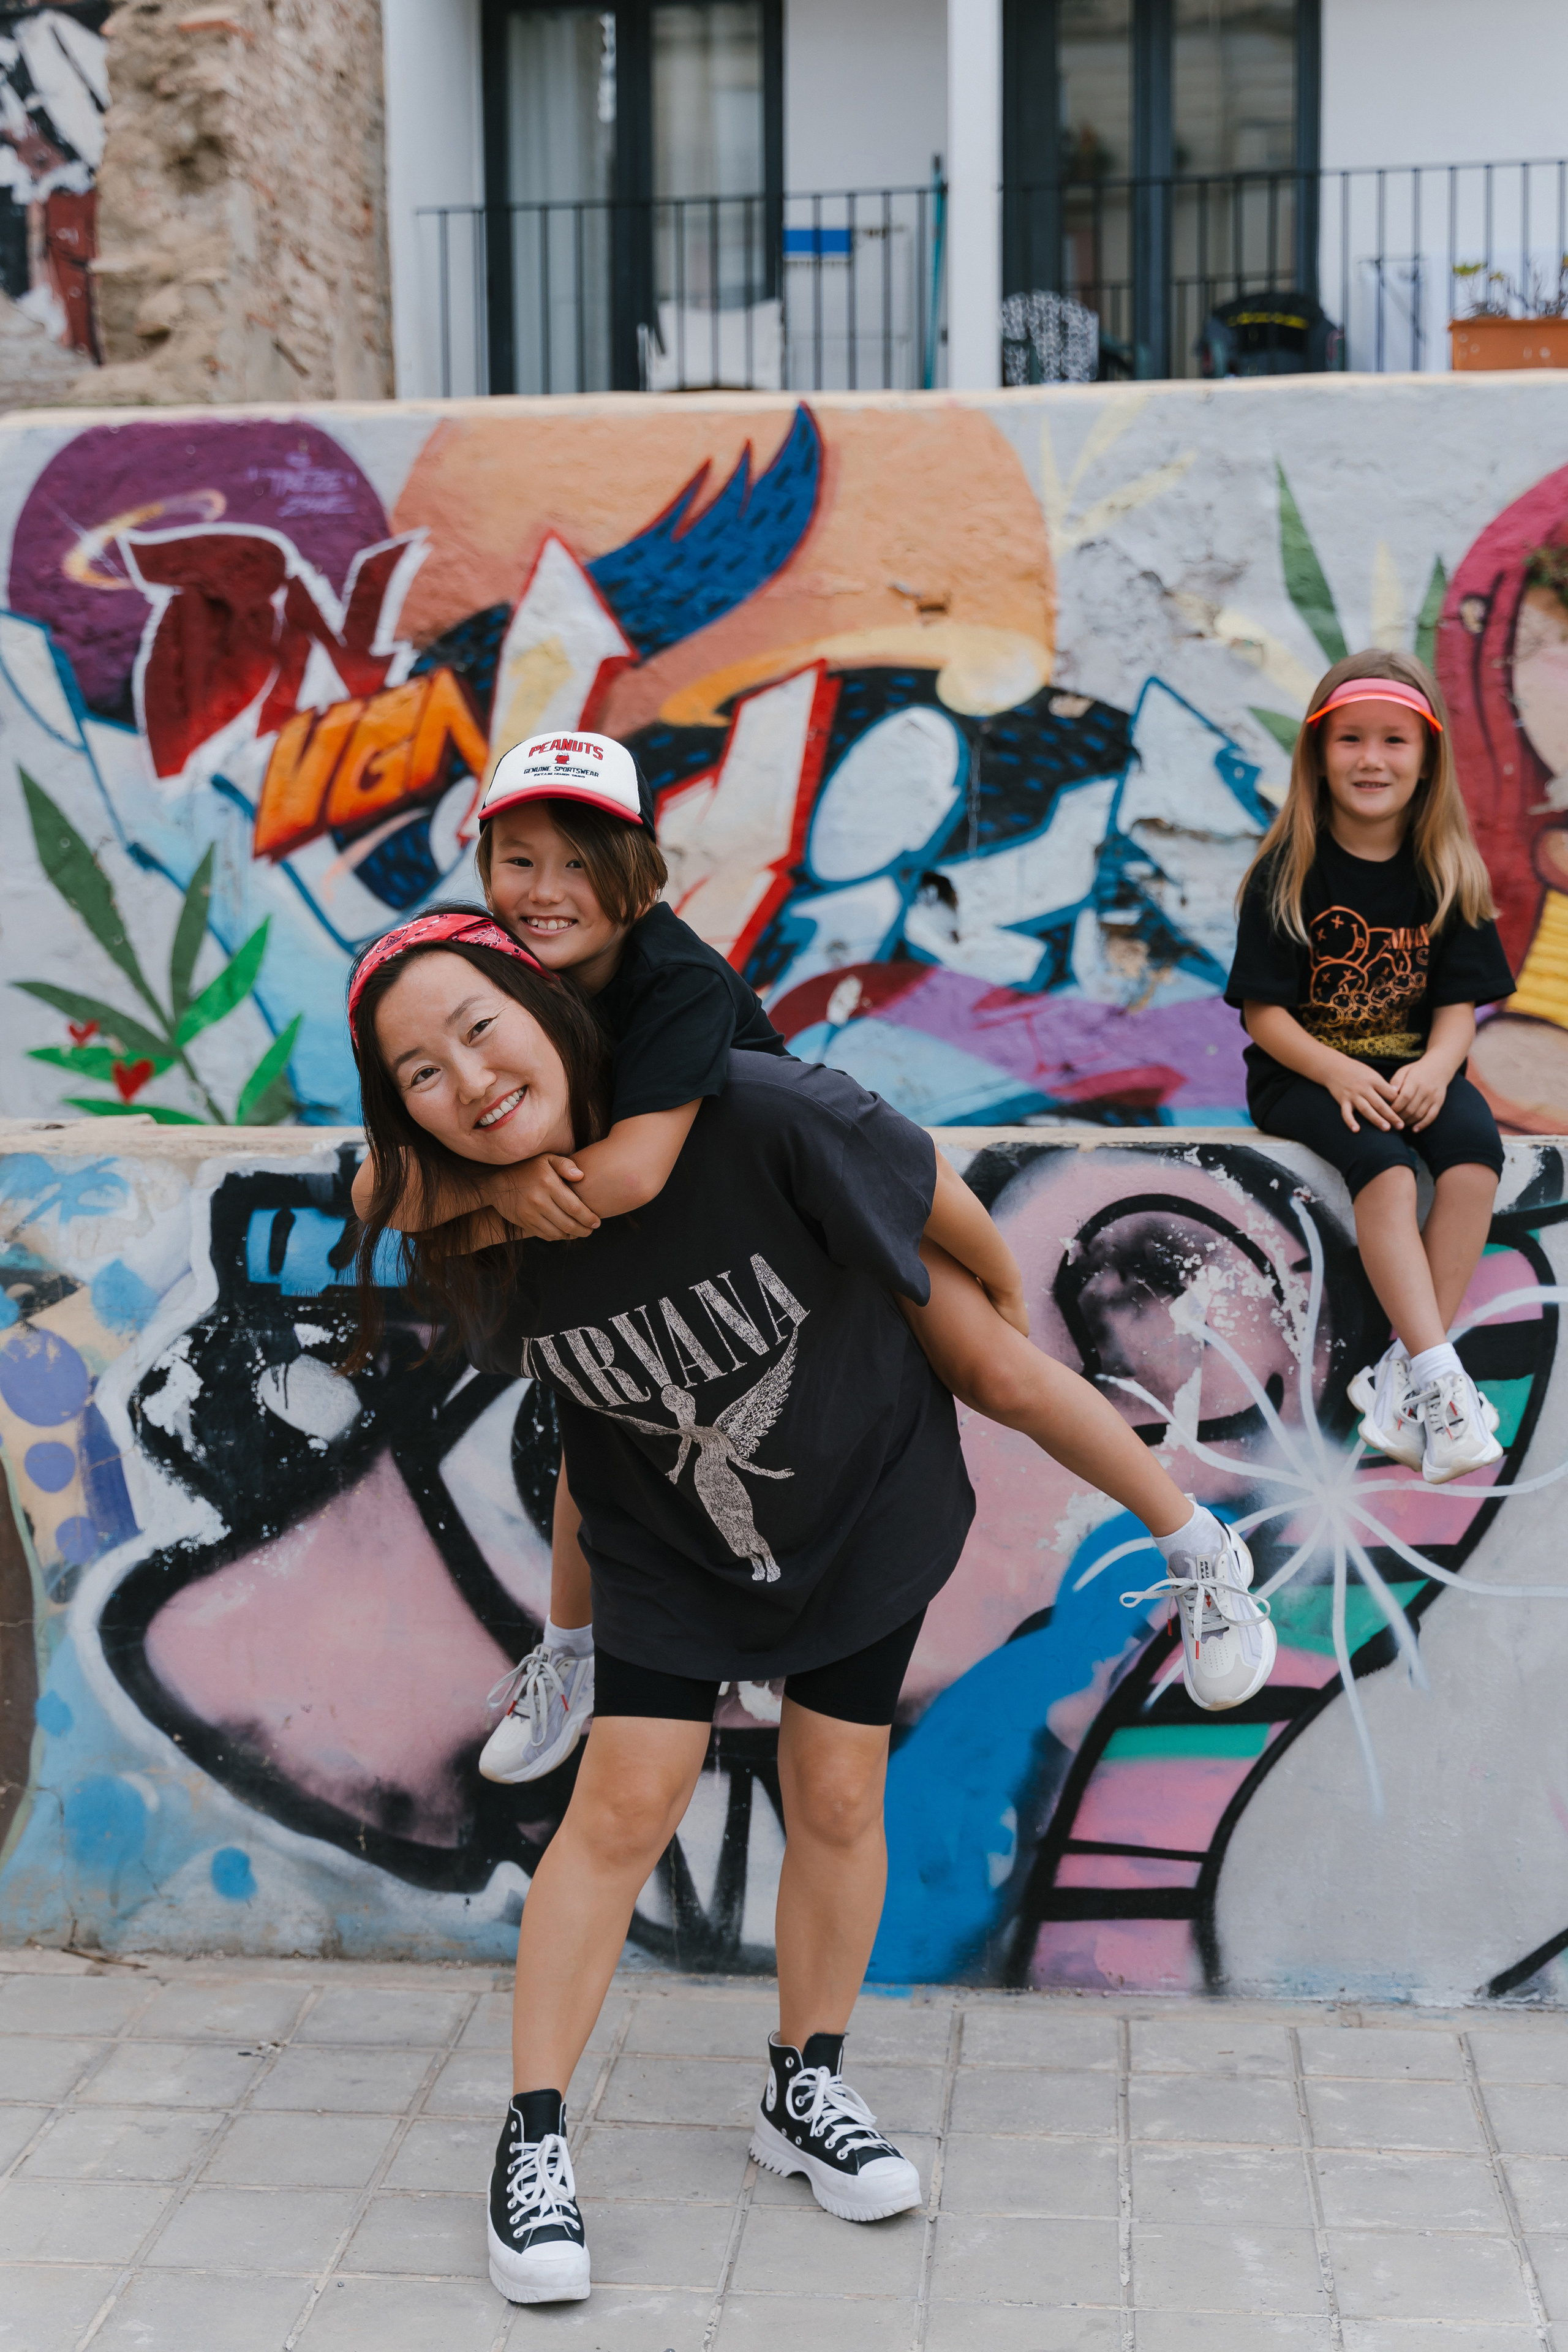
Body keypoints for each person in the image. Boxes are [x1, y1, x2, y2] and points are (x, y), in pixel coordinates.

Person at [345, 912, 1272, 2303]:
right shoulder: (479, 1229)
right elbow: (393, 1215)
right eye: (420, 1073)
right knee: (617, 1812)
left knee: (836, 1797)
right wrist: (473, 1197)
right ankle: (530, 2142)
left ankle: (803, 2092)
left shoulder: (746, 1113)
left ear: (548, 1007)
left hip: (856, 1505)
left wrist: (999, 1286)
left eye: (478, 1027)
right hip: (668, 1544)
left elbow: (918, 1181)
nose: (466, 1079)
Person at [353, 733, 1273, 1780]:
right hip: (666, 1259)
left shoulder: (674, 979)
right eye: (518, 861)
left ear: (641, 871)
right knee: (597, 1437)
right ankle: (569, 1654)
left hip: (812, 1215)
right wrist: (498, 1186)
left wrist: (1003, 1274)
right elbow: (372, 1186)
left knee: (998, 1369)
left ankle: (1197, 1544)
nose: (545, 890)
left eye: (578, 860)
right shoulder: (489, 980)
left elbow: (649, 1176)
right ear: (483, 874)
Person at [1226, 648, 1517, 1482]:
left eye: (1395, 741)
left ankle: (1403, 1374)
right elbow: (1264, 1013)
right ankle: (1440, 1380)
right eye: (1350, 739)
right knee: (1386, 1174)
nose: (1372, 759)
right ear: (1319, 752)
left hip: (1415, 1071)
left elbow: (1460, 1009)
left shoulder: (1447, 870)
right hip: (1306, 1075)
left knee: (1472, 1162)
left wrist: (1436, 1069)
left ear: (1427, 760)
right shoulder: (1288, 872)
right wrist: (1336, 1072)